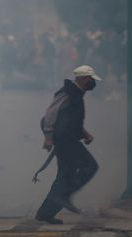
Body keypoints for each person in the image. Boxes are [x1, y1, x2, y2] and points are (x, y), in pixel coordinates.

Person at [34, 65, 101, 224]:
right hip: (65, 140)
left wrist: (85, 134)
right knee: (90, 166)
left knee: (64, 177)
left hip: (69, 139)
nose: (93, 82)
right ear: (84, 79)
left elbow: (71, 120)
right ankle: (65, 195)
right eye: (91, 79)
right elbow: (51, 114)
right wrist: (48, 137)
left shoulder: (77, 94)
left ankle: (45, 213)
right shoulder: (67, 92)